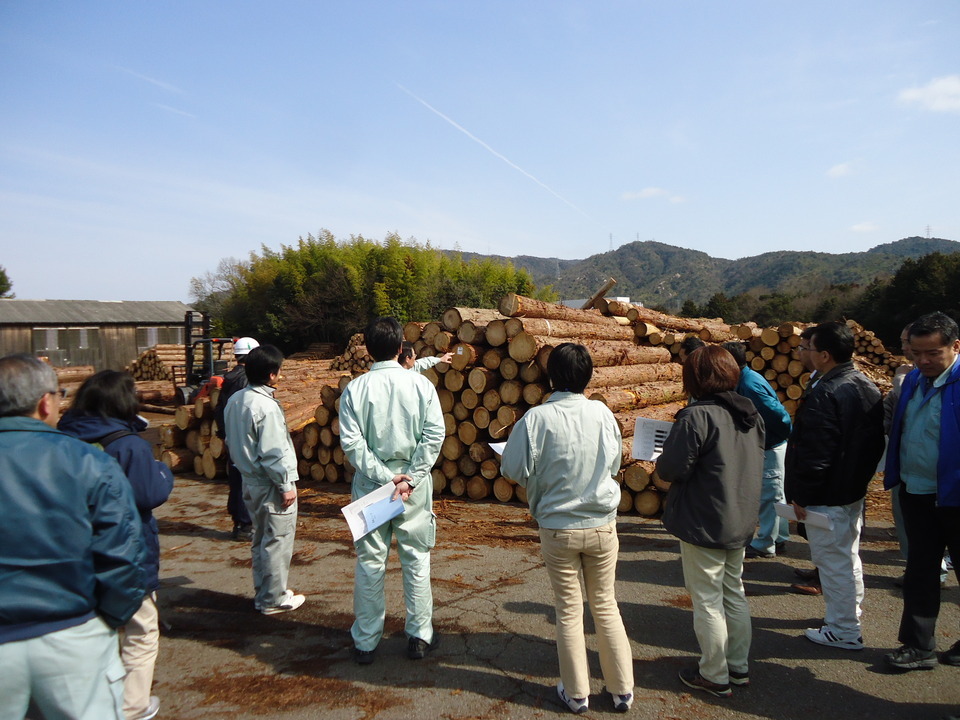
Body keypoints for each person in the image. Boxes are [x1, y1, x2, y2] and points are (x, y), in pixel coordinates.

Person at [0, 354, 146, 720]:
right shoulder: (89, 461)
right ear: (45, 402)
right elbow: (123, 552)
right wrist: (108, 620)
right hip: (72, 632)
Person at [502, 343, 634, 714]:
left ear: (550, 377)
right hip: (602, 525)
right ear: (588, 376)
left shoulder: (536, 419)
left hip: (558, 527)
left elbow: (512, 470)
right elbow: (612, 465)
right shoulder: (603, 414)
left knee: (569, 609)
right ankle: (622, 690)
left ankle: (577, 694)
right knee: (606, 604)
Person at [58, 370, 174, 720]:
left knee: (94, 630)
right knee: (140, 631)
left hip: (75, 549)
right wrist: (163, 472)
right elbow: (148, 494)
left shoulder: (62, 438)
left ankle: (90, 701)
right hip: (127, 549)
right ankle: (132, 706)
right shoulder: (128, 444)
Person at [656, 345, 765, 698]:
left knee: (707, 601)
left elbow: (671, 468)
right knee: (733, 593)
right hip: (741, 518)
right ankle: (738, 666)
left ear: (694, 379)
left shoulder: (696, 417)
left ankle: (714, 674)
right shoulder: (751, 415)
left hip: (704, 520)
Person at [339, 317, 445, 665]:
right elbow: (434, 436)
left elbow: (352, 444)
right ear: (401, 346)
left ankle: (366, 642)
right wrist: (409, 478)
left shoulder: (356, 389)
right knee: (416, 559)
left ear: (368, 349)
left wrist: (385, 477)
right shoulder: (420, 386)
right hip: (411, 489)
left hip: (373, 488)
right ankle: (419, 636)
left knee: (370, 562)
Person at [785, 322, 885, 651]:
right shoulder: (862, 384)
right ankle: (847, 617)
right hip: (850, 491)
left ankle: (844, 630)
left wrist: (802, 495)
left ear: (824, 355)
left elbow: (816, 452)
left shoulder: (827, 392)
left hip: (828, 495)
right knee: (847, 559)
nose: (802, 354)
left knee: (834, 564)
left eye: (806, 349)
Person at [883, 312, 960, 671]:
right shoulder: (913, 380)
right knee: (920, 570)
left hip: (956, 496)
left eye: (933, 353)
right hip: (917, 491)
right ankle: (918, 645)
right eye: (916, 353)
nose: (924, 361)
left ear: (955, 347)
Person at [223, 344, 304, 615]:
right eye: (279, 371)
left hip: (249, 479)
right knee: (277, 540)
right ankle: (273, 598)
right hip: (269, 482)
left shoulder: (236, 399)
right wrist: (285, 485)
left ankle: (265, 592)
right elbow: (273, 451)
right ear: (271, 375)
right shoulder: (265, 407)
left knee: (260, 538)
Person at [883, 324, 949, 588]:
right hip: (911, 481)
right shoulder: (912, 378)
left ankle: (936, 571)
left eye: (930, 351)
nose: (908, 351)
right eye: (907, 345)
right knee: (918, 548)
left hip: (945, 485)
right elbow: (892, 418)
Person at [722, 342, 792, 559]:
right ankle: (779, 538)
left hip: (771, 446)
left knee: (769, 495)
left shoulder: (750, 385)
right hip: (769, 444)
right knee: (775, 494)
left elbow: (779, 416)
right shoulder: (744, 379)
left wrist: (769, 439)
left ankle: (764, 545)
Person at [215, 336, 260, 540]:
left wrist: (224, 435)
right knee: (247, 480)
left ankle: (239, 521)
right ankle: (245, 524)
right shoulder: (245, 380)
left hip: (232, 437)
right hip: (245, 439)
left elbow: (219, 410)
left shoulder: (229, 378)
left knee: (235, 479)